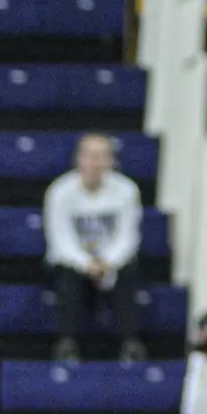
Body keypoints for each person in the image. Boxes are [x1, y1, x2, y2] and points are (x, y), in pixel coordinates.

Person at [44, 132, 145, 363]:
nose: (95, 162)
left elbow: (128, 238)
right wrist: (86, 264)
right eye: (90, 156)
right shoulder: (60, 192)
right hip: (73, 263)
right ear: (79, 159)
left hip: (111, 262)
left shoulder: (126, 191)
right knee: (66, 277)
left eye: (102, 156)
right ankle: (67, 344)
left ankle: (131, 343)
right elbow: (60, 240)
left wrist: (108, 263)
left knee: (129, 271)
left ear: (111, 161)